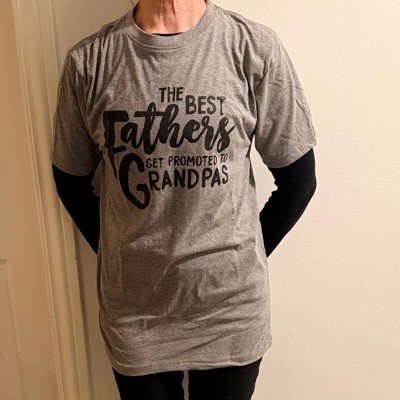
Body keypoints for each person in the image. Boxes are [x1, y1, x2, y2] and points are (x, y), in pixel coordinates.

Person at [51, 0, 317, 398]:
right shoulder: (89, 62)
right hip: (136, 315)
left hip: (230, 311)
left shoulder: (253, 47)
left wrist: (243, 257)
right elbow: (70, 179)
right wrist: (119, 256)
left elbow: (298, 180)